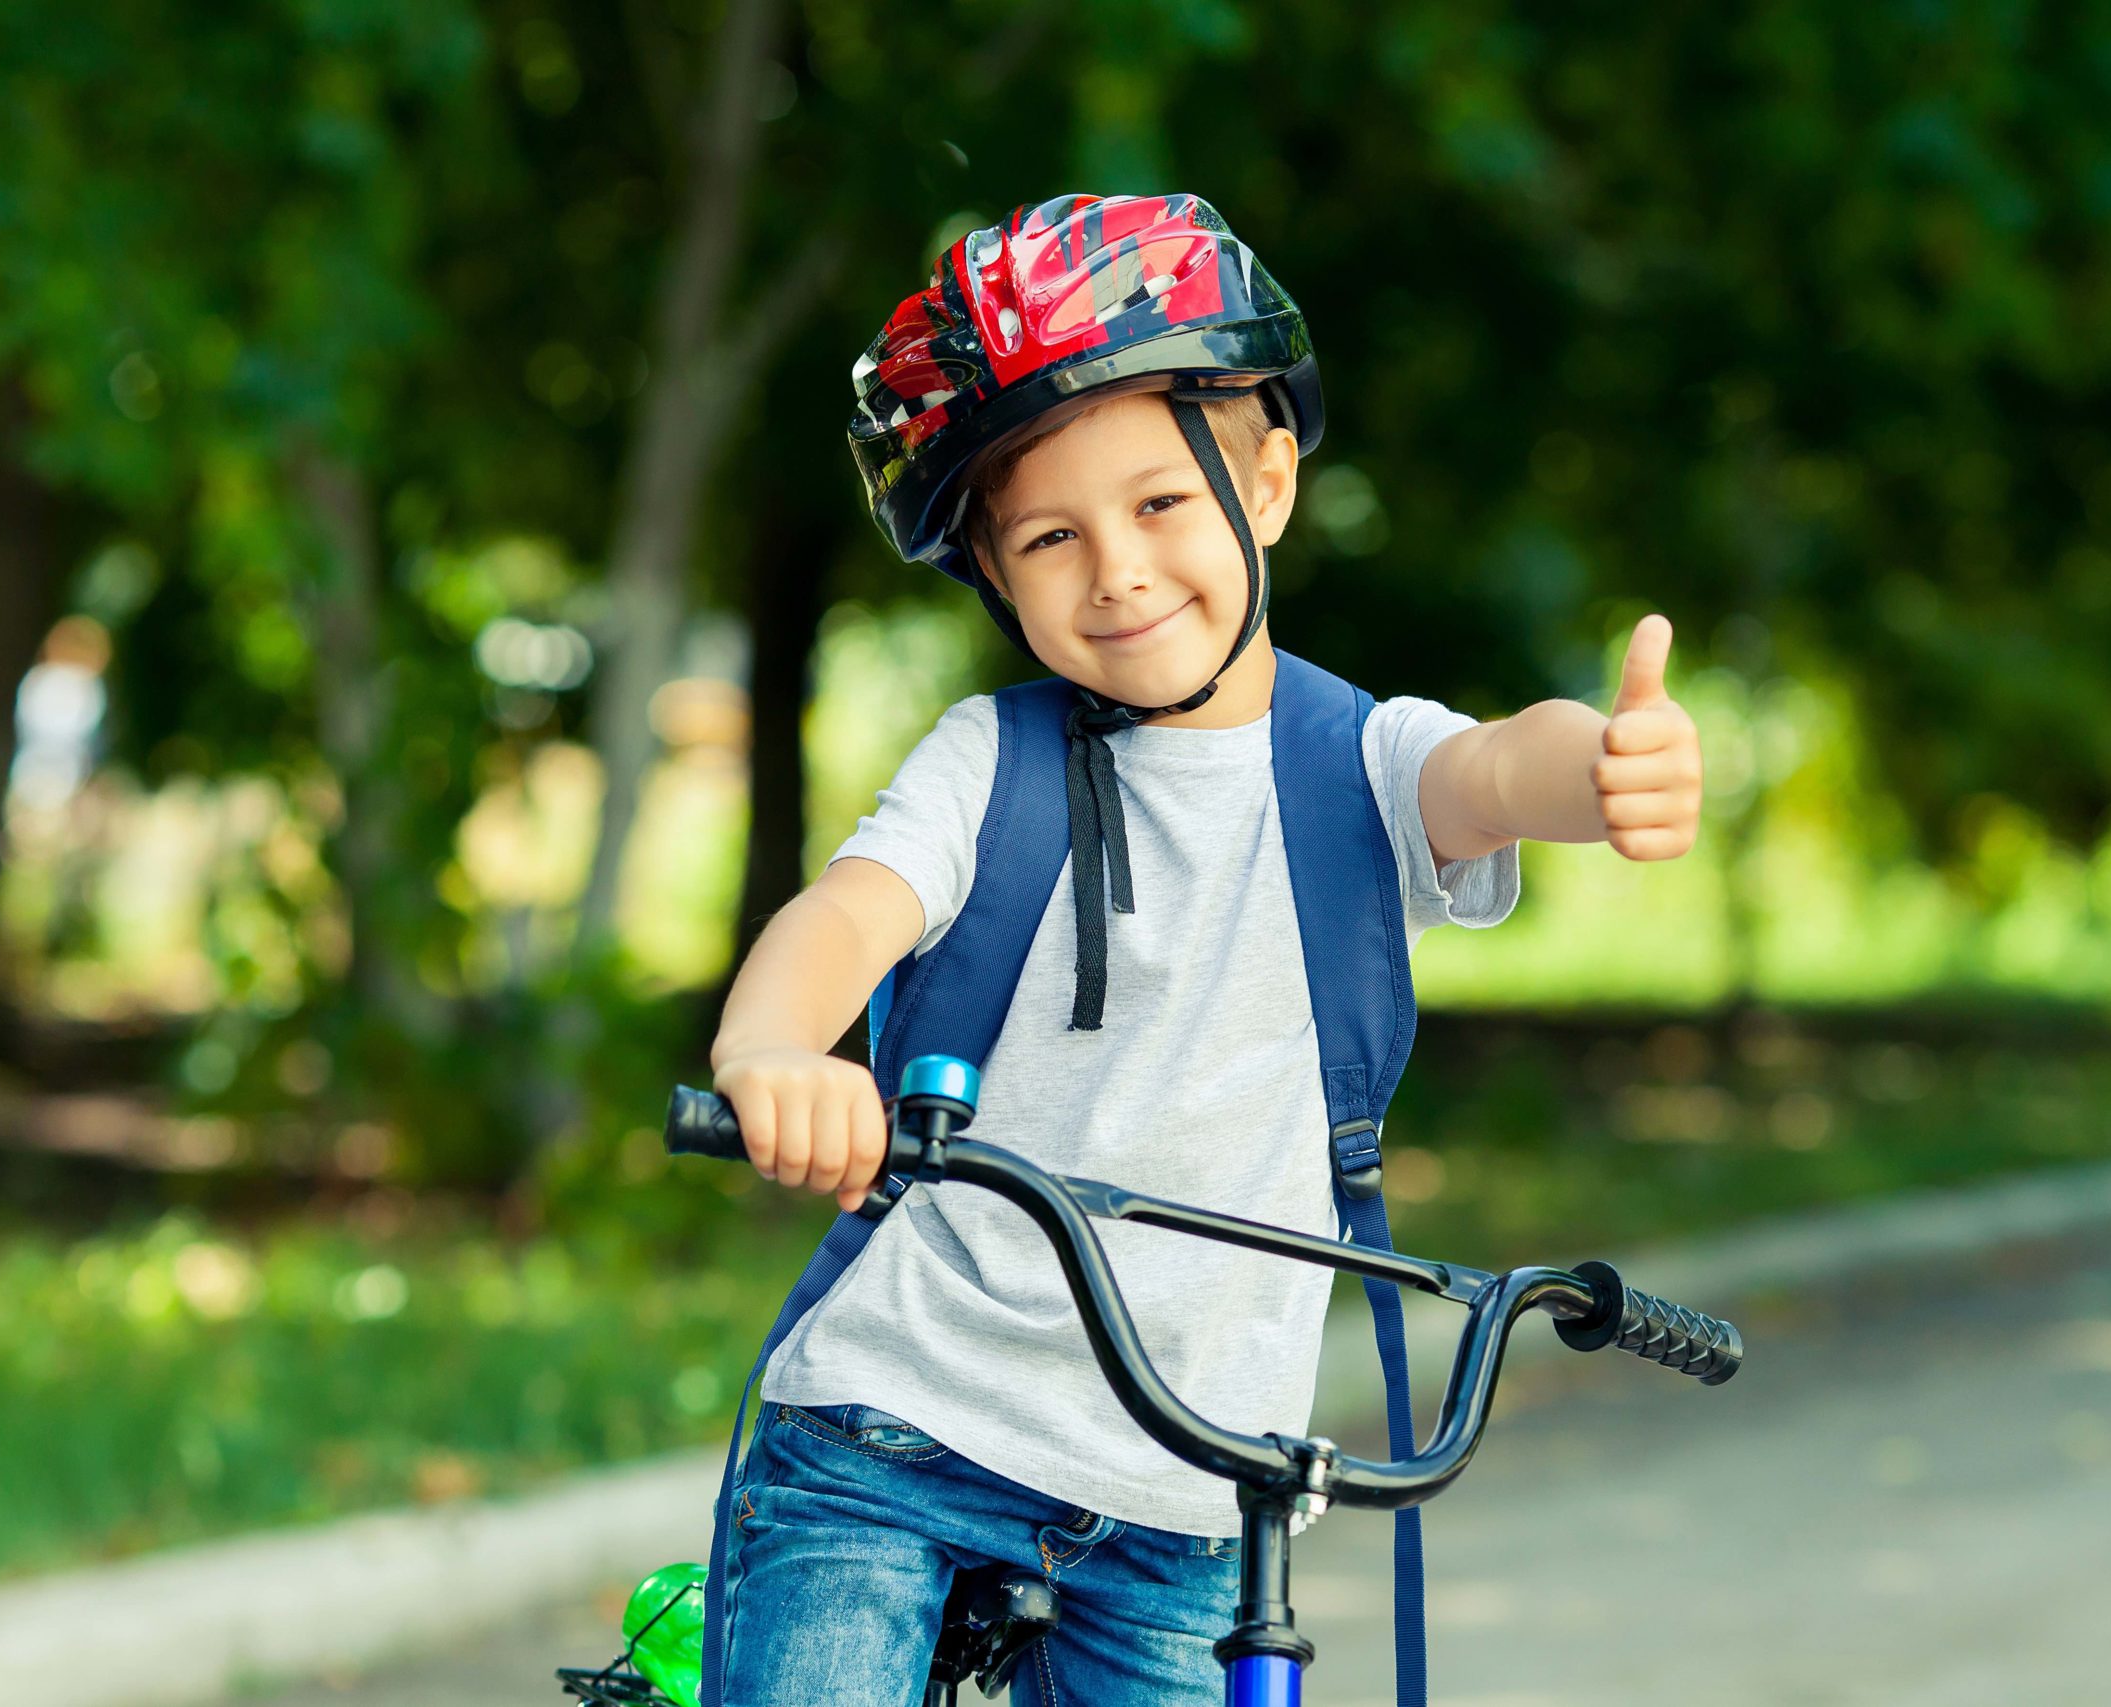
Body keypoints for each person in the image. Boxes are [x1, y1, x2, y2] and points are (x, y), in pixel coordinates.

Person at [704, 192, 1704, 1706]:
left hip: (1193, 1490)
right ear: (991, 571)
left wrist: (1604, 770)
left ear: (1269, 485)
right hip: (899, 1434)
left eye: (1162, 505)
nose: (1116, 568)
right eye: (1050, 534)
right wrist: (777, 1052)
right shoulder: (989, 762)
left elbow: (1498, 769)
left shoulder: (1355, 761)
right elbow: (846, 916)